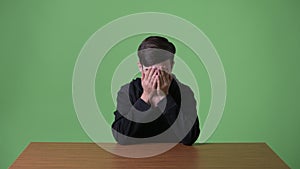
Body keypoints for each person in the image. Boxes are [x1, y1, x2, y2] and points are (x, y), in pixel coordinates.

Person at [111, 36, 200, 146]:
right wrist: (145, 97)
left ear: (171, 66)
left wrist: (164, 98)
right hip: (135, 157)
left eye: (163, 71)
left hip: (176, 157)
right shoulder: (128, 91)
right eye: (150, 71)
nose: (156, 77)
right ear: (141, 67)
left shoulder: (184, 92)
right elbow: (121, 137)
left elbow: (190, 138)